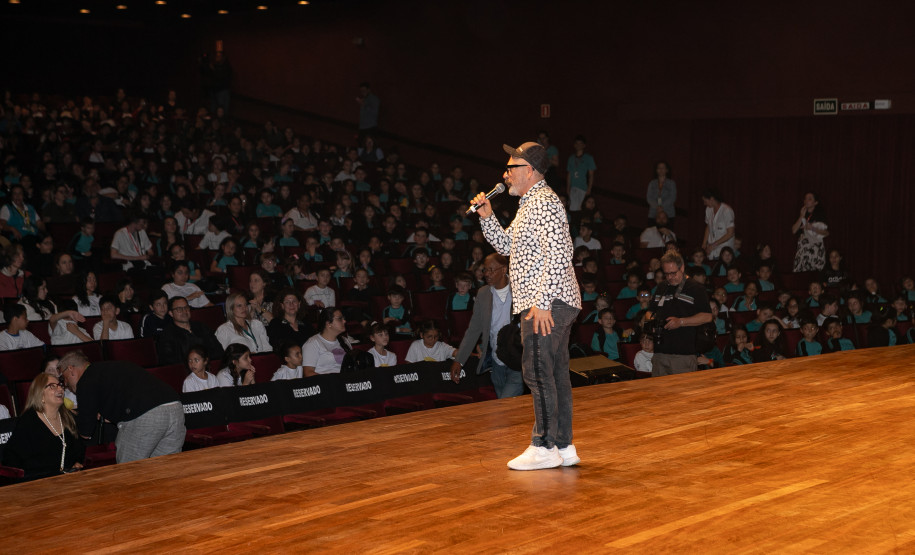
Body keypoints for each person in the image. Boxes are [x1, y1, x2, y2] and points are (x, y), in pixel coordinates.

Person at [472, 140, 582, 471]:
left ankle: (545, 445)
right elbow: (509, 247)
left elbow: (562, 253)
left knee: (536, 371)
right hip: (553, 300)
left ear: (529, 171)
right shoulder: (530, 204)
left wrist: (543, 303)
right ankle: (563, 445)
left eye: (511, 168)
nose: (505, 174)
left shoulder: (544, 203)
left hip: (544, 303)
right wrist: (487, 217)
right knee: (555, 374)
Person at [58, 350, 185, 464]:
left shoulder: (86, 380)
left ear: (71, 369)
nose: (66, 384)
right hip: (175, 407)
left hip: (147, 415)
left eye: (64, 379)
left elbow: (85, 431)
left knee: (128, 473)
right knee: (167, 469)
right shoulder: (113, 368)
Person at [450, 253, 520, 398]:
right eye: (485, 270)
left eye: (491, 270)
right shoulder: (483, 293)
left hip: (519, 359)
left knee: (506, 403)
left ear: (504, 269)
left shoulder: (520, 289)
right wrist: (459, 360)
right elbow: (474, 330)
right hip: (496, 358)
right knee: (504, 407)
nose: (486, 274)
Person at [1, 373, 84, 480]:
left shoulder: (69, 417)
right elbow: (11, 459)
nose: (59, 388)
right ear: (40, 394)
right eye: (52, 386)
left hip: (69, 480)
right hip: (38, 483)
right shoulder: (28, 421)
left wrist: (77, 463)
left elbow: (80, 448)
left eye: (60, 385)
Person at [645, 252, 713, 376]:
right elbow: (650, 311)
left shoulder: (696, 288)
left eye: (673, 273)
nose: (670, 277)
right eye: (666, 274)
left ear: (681, 268)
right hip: (660, 353)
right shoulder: (662, 286)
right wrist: (652, 322)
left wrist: (681, 322)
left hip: (683, 355)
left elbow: (708, 316)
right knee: (659, 394)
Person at [156, 296, 225, 365]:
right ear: (171, 313)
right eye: (179, 309)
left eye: (186, 307)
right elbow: (171, 363)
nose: (184, 311)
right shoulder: (167, 335)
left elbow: (218, 350)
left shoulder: (201, 327)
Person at [301, 307, 348, 376]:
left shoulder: (344, 341)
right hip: (325, 383)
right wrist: (330, 382)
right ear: (328, 324)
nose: (344, 321)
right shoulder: (313, 343)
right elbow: (308, 373)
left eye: (343, 318)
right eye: (340, 319)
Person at [791, 192, 829, 272]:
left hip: (816, 248)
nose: (806, 201)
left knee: (815, 273)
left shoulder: (820, 214)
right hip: (803, 248)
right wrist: (801, 216)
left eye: (810, 199)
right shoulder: (801, 213)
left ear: (816, 202)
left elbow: (826, 233)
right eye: (805, 199)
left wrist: (812, 228)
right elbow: (794, 230)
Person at [700, 189, 735, 260]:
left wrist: (713, 245)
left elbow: (730, 233)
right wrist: (704, 244)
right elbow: (708, 227)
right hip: (711, 249)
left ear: (712, 199)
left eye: (705, 201)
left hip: (724, 249)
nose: (704, 203)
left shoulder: (726, 210)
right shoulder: (708, 210)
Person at [565, 135, 596, 211]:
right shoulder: (571, 158)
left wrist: (589, 189)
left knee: (581, 208)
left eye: (580, 144)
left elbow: (591, 175)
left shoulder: (588, 158)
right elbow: (569, 174)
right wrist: (568, 188)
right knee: (572, 208)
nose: (578, 146)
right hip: (573, 187)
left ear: (584, 145)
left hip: (583, 188)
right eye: (577, 143)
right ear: (574, 145)